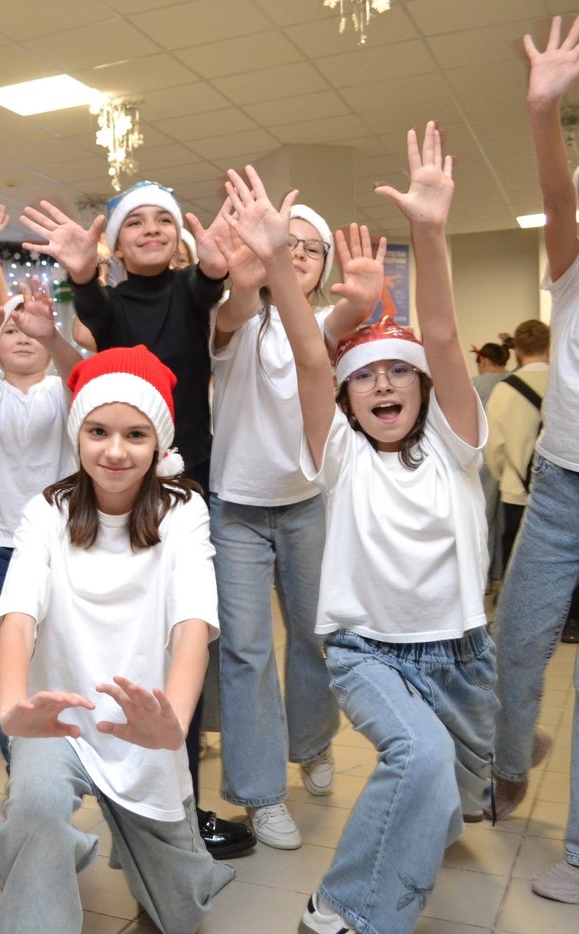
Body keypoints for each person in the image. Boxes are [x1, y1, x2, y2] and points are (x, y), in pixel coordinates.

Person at [228, 126, 497, 933]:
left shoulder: (456, 445)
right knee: (420, 759)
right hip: (367, 653)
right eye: (365, 377)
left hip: (460, 656)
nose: (382, 385)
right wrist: (278, 263)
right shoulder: (338, 457)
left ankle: (442, 814)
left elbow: (441, 334)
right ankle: (338, 911)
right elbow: (313, 358)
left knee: (448, 798)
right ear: (347, 399)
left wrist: (429, 232)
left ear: (424, 388)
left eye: (398, 374)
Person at [20, 183, 254, 858]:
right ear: (116, 246)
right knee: (131, 643)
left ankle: (182, 808)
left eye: (163, 222)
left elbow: (208, 286)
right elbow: (94, 309)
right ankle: (121, 794)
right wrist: (80, 274)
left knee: (186, 642)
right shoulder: (110, 303)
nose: (151, 230)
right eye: (135, 223)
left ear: (180, 240)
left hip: (187, 489)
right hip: (119, 489)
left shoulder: (190, 290)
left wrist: (215, 266)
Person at [0, 345, 232, 934]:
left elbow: (192, 622)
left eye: (135, 435)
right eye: (98, 431)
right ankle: (43, 863)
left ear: (159, 443)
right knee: (36, 810)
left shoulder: (184, 510)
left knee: (178, 914)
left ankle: (158, 857)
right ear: (77, 434)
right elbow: (19, 614)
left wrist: (174, 722)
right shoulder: (46, 510)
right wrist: (13, 706)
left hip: (144, 726)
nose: (115, 451)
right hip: (60, 720)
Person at [206, 203, 384, 849]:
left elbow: (341, 322)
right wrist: (249, 274)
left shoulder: (323, 325)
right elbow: (233, 311)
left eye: (311, 247)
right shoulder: (237, 315)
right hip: (236, 509)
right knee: (245, 649)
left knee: (316, 638)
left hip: (308, 503)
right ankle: (260, 794)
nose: (299, 253)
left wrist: (361, 302)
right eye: (289, 243)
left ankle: (310, 743)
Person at [490, 16, 579, 904]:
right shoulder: (573, 264)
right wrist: (544, 112)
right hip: (559, 483)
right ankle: (512, 761)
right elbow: (558, 199)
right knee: (514, 646)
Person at [0, 275, 80, 762]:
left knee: (60, 663)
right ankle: (23, 770)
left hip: (64, 546)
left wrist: (54, 335)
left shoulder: (63, 392)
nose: (23, 337)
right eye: (10, 331)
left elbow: (82, 377)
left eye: (32, 330)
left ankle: (62, 764)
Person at [484, 320, 550, 570]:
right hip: (564, 495)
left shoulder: (503, 390)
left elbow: (494, 449)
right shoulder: (566, 383)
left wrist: (510, 476)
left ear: (517, 351)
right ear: (549, 347)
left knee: (518, 567)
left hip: (517, 492)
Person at [472, 340, 512, 584]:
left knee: (483, 517)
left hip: (485, 457)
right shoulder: (516, 380)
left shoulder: (476, 384)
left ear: (484, 360)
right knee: (507, 518)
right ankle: (502, 574)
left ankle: (483, 577)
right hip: (515, 458)